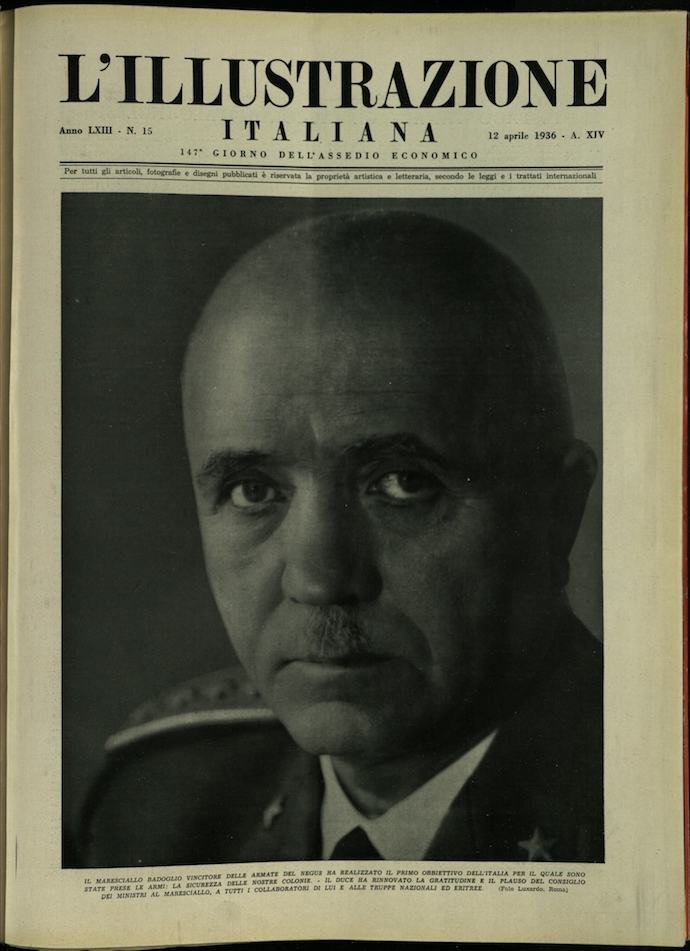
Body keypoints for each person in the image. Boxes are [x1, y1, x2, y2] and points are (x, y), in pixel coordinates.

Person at [77, 210, 603, 866]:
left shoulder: (649, 805)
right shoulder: (156, 814)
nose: (320, 579)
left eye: (404, 484)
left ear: (558, 513)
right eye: (252, 491)